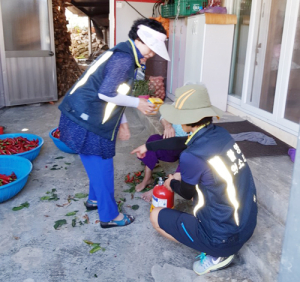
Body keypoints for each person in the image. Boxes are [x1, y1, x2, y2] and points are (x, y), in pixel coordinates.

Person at [131, 84, 257, 275]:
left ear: (188, 120)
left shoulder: (192, 157)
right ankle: (218, 246)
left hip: (222, 237)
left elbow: (187, 192)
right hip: (246, 223)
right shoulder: (221, 134)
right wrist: (149, 146)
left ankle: (215, 254)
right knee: (194, 179)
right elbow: (183, 142)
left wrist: (171, 182)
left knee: (155, 216)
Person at [58, 18, 170, 229]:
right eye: (151, 49)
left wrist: (123, 122)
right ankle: (109, 216)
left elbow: (118, 94)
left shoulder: (126, 56)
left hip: (89, 116)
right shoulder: (124, 59)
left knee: (97, 164)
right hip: (86, 120)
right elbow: (106, 93)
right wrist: (139, 103)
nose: (152, 54)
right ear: (139, 39)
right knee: (102, 167)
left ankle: (94, 200)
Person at [135, 117, 188, 202]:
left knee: (188, 157)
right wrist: (167, 125)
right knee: (153, 139)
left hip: (188, 146)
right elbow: (163, 115)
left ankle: (161, 188)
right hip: (173, 142)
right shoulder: (180, 104)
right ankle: (147, 178)